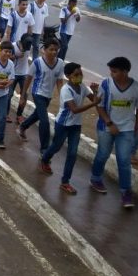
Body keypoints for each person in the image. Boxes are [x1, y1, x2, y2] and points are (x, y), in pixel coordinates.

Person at [90, 56, 138, 208]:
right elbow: (99, 106)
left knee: (124, 161)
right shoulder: (106, 84)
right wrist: (109, 123)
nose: (111, 74)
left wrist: (135, 127)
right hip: (106, 127)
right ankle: (95, 178)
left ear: (125, 71)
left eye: (114, 71)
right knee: (102, 155)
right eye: (111, 71)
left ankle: (126, 192)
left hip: (126, 129)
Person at [40, 63, 99, 194]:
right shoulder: (66, 90)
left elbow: (94, 99)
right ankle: (45, 159)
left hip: (76, 126)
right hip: (63, 124)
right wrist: (94, 103)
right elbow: (74, 109)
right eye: (76, 74)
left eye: (80, 74)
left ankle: (65, 182)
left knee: (72, 153)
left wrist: (95, 91)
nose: (79, 76)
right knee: (56, 146)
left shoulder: (83, 87)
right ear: (68, 76)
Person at [18, 39, 65, 152]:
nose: (54, 52)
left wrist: (63, 97)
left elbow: (59, 81)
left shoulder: (60, 63)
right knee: (44, 121)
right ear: (44, 50)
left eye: (56, 50)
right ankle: (44, 149)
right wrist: (23, 95)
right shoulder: (37, 62)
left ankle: (23, 126)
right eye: (51, 49)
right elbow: (28, 78)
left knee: (37, 115)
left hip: (48, 96)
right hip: (38, 93)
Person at [9, 34, 33, 124]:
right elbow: (8, 58)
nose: (28, 47)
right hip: (13, 73)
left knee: (25, 95)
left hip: (24, 74)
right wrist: (16, 56)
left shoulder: (29, 47)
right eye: (26, 45)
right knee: (9, 94)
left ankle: (19, 115)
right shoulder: (13, 46)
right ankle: (6, 114)